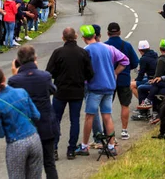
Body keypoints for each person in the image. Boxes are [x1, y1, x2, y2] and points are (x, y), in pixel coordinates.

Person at [75, 25, 129, 157]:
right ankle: (111, 146)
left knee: (89, 116)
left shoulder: (86, 51)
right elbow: (125, 60)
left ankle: (84, 146)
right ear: (95, 35)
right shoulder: (108, 48)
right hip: (109, 86)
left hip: (95, 87)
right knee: (107, 116)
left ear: (83, 37)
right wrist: (115, 73)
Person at [8, 46, 59, 179]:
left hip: (25, 130)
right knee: (49, 164)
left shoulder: (15, 81)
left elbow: (11, 98)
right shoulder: (45, 76)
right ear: (35, 58)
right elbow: (53, 90)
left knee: (28, 167)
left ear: (18, 61)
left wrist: (16, 75)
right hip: (46, 125)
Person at [46, 28, 95, 160]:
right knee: (75, 120)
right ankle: (71, 150)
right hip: (77, 91)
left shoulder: (58, 53)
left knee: (55, 119)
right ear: (76, 36)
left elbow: (49, 72)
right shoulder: (83, 53)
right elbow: (90, 73)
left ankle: (54, 149)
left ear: (63, 38)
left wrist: (59, 75)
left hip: (60, 90)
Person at [0, 66, 44, 179]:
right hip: (33, 138)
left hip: (15, 143)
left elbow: (0, 133)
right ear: (4, 77)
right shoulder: (21, 92)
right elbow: (36, 115)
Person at [104, 22, 139, 140]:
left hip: (108, 80)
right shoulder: (127, 46)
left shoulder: (104, 46)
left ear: (108, 33)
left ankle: (108, 132)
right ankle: (124, 131)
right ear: (119, 32)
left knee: (107, 106)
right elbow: (134, 62)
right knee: (125, 105)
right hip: (124, 79)